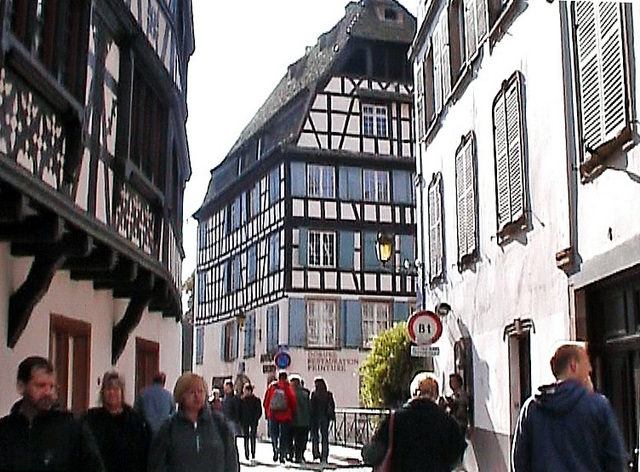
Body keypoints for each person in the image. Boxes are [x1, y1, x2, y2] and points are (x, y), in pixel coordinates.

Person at [511, 342, 626, 472]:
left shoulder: (531, 408)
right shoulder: (597, 406)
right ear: (573, 366)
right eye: (587, 363)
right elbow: (615, 461)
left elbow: (519, 462)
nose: (590, 369)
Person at [0, 356, 105, 471]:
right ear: (21, 387)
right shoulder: (6, 431)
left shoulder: (72, 429)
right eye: (40, 386)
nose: (48, 393)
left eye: (52, 387)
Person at [363, 372, 466, 471]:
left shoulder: (394, 420)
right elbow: (456, 459)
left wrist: (365, 450)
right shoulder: (447, 423)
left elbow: (372, 455)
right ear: (435, 395)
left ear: (413, 393)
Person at [148, 372, 239, 472]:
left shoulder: (219, 424)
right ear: (181, 395)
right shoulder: (169, 428)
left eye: (200, 391)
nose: (197, 396)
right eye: (191, 392)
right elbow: (157, 464)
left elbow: (231, 461)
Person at [84, 371, 150, 472]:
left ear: (122, 392)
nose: (112, 393)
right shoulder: (91, 419)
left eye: (116, 389)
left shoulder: (135, 421)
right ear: (102, 393)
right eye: (108, 389)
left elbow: (143, 454)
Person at [263, 370, 297, 463]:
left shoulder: (272, 387)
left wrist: (267, 412)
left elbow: (266, 401)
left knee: (274, 434)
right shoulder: (288, 388)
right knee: (284, 436)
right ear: (286, 378)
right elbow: (292, 402)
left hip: (273, 414)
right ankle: (282, 455)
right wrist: (293, 413)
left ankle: (275, 449)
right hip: (285, 416)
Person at [309, 376, 336, 465]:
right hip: (325, 417)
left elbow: (311, 408)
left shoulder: (314, 394)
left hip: (315, 418)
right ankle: (324, 455)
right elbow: (332, 406)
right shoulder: (328, 394)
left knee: (315, 436)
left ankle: (316, 453)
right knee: (325, 437)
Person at [289, 374, 311, 463]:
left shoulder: (290, 394)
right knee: (301, 440)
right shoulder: (306, 393)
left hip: (292, 420)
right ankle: (300, 455)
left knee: (290, 439)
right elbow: (310, 407)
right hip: (304, 421)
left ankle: (291, 455)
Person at [239, 383, 262, 461]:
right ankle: (247, 453)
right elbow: (240, 412)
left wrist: (256, 419)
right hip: (246, 422)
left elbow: (259, 411)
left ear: (249, 391)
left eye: (245, 390)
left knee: (252, 437)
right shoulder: (242, 400)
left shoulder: (256, 400)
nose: (244, 392)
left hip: (252, 421)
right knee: (246, 438)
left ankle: (252, 453)